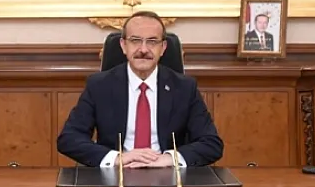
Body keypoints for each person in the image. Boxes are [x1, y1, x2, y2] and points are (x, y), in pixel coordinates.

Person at [57, 11, 223, 168]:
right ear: (123, 45)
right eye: (135, 40)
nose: (143, 50)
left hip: (167, 173)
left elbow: (211, 143)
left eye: (152, 41)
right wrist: (117, 158)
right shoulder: (99, 85)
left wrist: (169, 158)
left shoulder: (185, 87)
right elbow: (69, 139)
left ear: (163, 47)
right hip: (117, 173)